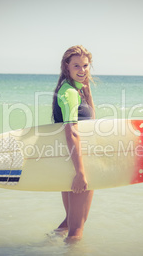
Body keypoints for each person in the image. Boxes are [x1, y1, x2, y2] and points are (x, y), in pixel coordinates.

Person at [51, 45, 95, 240]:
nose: (82, 70)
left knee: (70, 222)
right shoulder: (69, 93)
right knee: (77, 229)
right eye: (76, 65)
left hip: (71, 161)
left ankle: (44, 245)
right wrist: (80, 173)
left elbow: (91, 119)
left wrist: (87, 88)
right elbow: (72, 133)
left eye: (85, 66)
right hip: (77, 164)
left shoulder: (73, 90)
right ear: (66, 66)